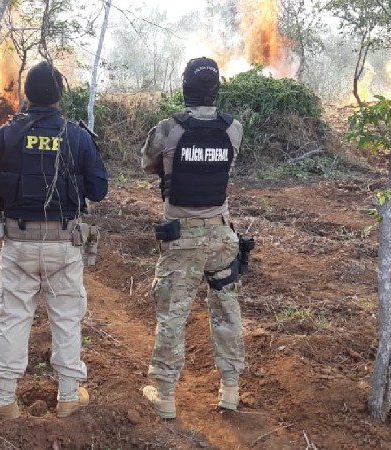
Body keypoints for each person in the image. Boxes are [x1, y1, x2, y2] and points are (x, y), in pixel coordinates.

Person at [0, 61, 109, 419]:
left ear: (26, 95)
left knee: (14, 318)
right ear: (59, 96)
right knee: (66, 319)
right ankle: (68, 396)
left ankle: (3, 399)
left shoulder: (4, 135)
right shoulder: (77, 136)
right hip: (64, 245)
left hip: (17, 244)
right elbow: (99, 189)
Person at [140, 57, 245, 419]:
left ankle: (166, 395)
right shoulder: (234, 129)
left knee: (173, 315)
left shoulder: (168, 129)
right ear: (217, 88)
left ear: (184, 88)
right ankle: (230, 390)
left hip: (182, 239)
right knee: (227, 312)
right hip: (222, 236)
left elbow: (148, 164)